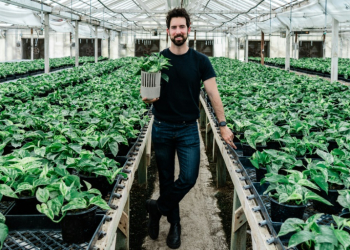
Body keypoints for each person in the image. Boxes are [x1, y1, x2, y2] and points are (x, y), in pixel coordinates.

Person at [142, 7, 236, 249]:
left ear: (188, 30)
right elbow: (146, 94)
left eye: (182, 26)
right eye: (174, 27)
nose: (178, 31)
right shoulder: (157, 60)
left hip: (188, 130)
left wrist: (223, 125)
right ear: (168, 31)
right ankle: (175, 224)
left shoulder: (200, 61)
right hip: (162, 127)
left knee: (189, 177)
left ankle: (157, 208)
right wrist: (148, 97)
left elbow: (213, 94)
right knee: (165, 179)